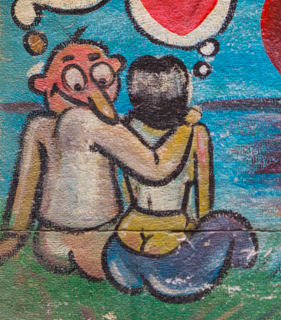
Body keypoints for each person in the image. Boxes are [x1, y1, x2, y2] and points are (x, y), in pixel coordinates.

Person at [0, 34, 200, 280]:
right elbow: (156, 168)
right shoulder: (91, 121)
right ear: (48, 85)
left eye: (102, 78)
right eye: (78, 82)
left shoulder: (38, 125)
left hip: (48, 241)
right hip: (96, 241)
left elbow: (25, 193)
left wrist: (13, 240)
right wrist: (185, 127)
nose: (95, 89)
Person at [102, 55, 257, 303]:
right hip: (169, 265)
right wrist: (197, 227)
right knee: (228, 224)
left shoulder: (127, 128)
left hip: (120, 255)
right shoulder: (196, 133)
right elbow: (204, 197)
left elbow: (128, 189)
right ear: (182, 94)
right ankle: (246, 264)